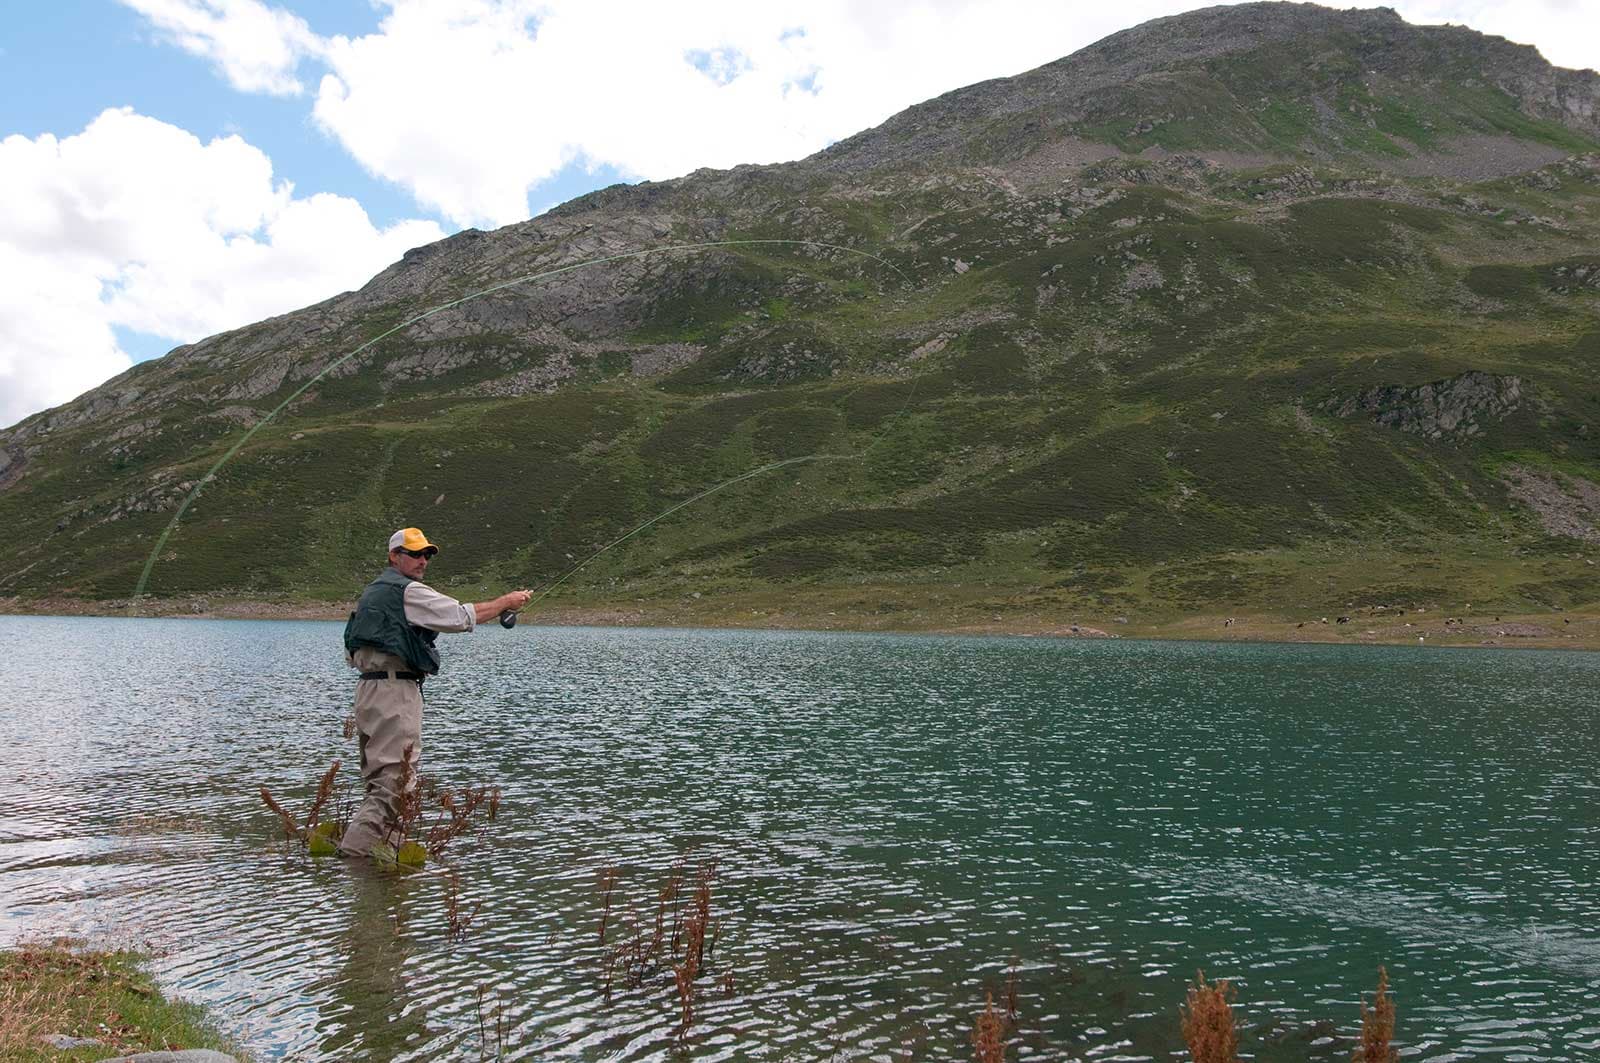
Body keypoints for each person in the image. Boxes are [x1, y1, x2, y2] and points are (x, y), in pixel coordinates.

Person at [338, 527, 531, 857]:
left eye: (426, 554)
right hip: (393, 692)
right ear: (394, 556)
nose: (422, 561)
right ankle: (353, 863)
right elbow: (461, 617)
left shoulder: (374, 593)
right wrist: (505, 603)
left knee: (382, 783)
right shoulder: (408, 592)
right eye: (414, 554)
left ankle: (385, 866)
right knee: (394, 787)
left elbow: (353, 649)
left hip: (369, 691)